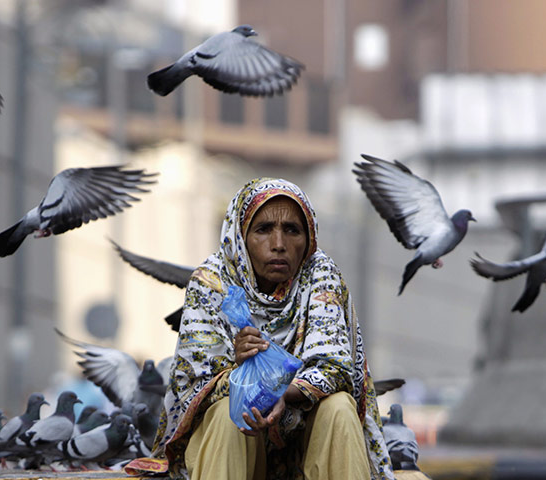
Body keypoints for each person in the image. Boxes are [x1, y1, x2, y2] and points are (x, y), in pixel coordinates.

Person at [127, 178, 394, 480]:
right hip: (230, 443)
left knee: (340, 408)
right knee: (230, 412)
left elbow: (336, 368)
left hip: (303, 441)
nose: (279, 244)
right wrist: (242, 371)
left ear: (308, 237)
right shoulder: (212, 282)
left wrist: (282, 392)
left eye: (292, 230)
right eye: (263, 229)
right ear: (241, 237)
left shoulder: (321, 275)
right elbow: (194, 382)